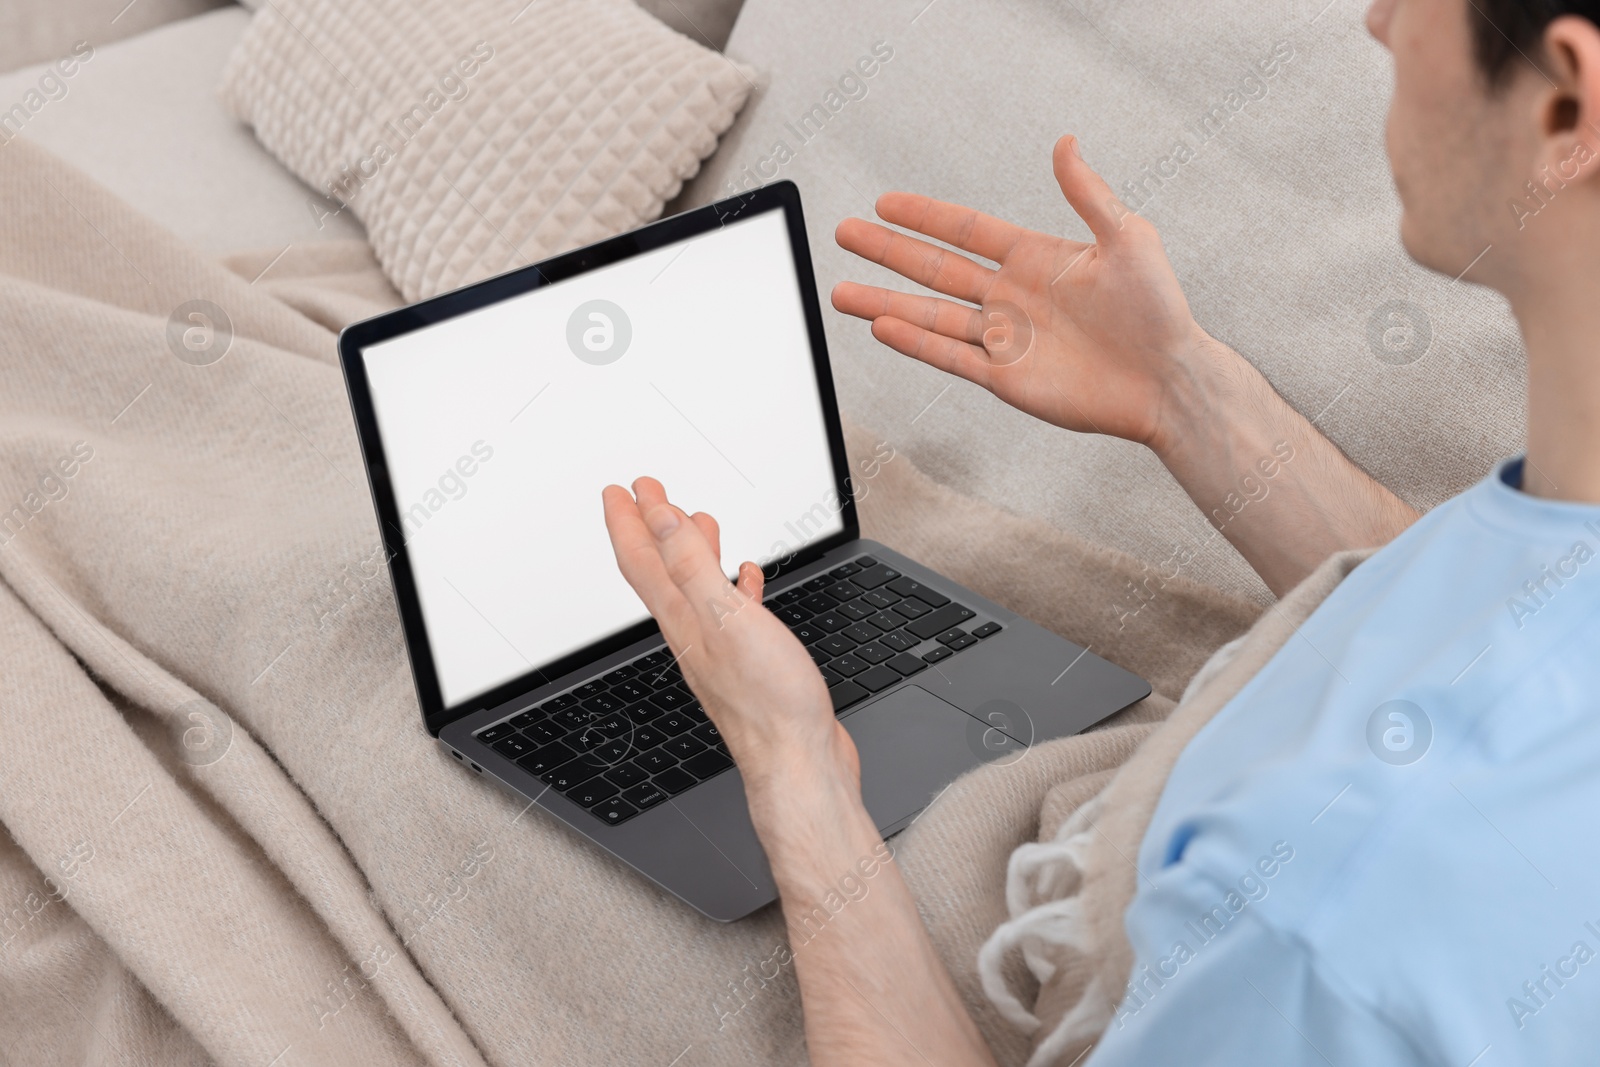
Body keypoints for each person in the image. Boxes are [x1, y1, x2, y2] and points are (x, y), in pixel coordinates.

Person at [600, 0, 1600, 1061]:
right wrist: (1186, 396)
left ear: (1567, 100)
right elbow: (1497, 627)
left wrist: (788, 761)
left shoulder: (1315, 925)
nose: (1377, 20)